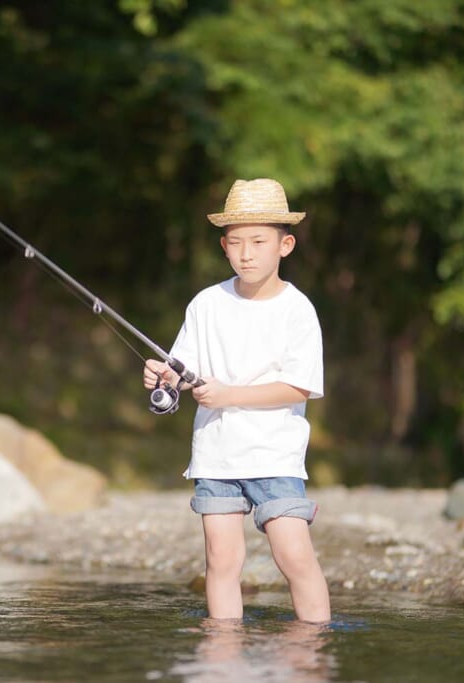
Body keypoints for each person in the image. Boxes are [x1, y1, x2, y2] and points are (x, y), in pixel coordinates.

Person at [143, 178, 330, 622]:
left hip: (275, 456)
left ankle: (314, 649)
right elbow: (182, 367)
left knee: (294, 559)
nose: (247, 253)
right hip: (216, 456)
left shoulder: (297, 310)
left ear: (285, 245)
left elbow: (298, 387)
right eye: (236, 243)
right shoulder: (206, 304)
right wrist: (164, 375)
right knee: (222, 564)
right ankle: (222, 652)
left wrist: (228, 395)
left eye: (259, 241)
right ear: (224, 246)